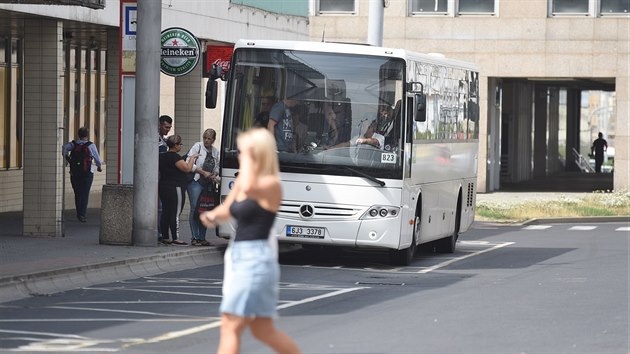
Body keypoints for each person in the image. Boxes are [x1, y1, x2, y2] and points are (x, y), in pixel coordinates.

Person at [200, 128, 301, 354]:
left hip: (256, 257)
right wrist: (211, 217)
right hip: (238, 254)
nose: (239, 156)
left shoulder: (269, 184)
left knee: (231, 325)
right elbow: (227, 211)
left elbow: (249, 197)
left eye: (244, 152)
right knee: (261, 329)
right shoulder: (244, 181)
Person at [159, 135, 199, 245]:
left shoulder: (162, 156)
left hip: (163, 186)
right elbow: (187, 168)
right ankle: (176, 237)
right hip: (175, 187)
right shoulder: (175, 157)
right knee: (175, 212)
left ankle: (165, 236)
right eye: (180, 144)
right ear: (176, 145)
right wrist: (192, 158)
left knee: (166, 211)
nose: (180, 146)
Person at [186, 128, 221, 246]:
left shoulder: (215, 151)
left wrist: (214, 174)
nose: (206, 141)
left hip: (208, 185)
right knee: (195, 208)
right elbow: (189, 163)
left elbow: (216, 167)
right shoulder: (198, 146)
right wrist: (202, 172)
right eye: (205, 138)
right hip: (196, 182)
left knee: (205, 210)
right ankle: (194, 237)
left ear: (213, 140)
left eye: (209, 139)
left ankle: (202, 237)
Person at [62, 127, 103, 223]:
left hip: (74, 173)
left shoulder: (73, 145)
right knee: (85, 193)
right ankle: (82, 215)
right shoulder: (91, 145)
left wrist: (67, 158)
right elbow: (97, 158)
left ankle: (79, 212)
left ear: (78, 135)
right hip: (87, 173)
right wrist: (99, 166)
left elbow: (64, 148)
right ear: (87, 135)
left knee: (77, 193)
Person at [158, 115, 173, 243]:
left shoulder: (164, 140)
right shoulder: (155, 140)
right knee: (159, 207)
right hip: (156, 178)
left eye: (169, 128)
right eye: (166, 127)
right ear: (159, 125)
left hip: (162, 177)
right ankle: (158, 233)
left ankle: (160, 232)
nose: (167, 130)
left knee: (162, 207)